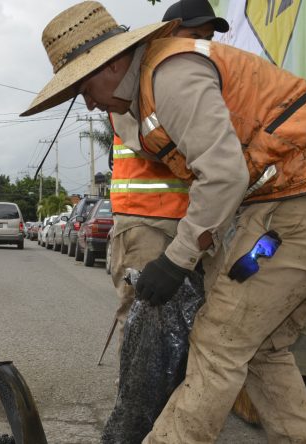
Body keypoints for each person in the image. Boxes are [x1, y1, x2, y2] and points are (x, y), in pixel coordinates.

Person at [23, 2, 306, 443]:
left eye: (85, 87)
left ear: (114, 63)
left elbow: (225, 174)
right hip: (303, 202)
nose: (89, 103)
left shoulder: (171, 76)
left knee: (218, 342)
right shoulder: (144, 91)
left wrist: (176, 260)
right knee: (261, 346)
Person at [107, 0, 229, 350]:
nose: (203, 46)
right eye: (195, 36)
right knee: (144, 318)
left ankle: (182, 402)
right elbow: (167, 146)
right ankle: (137, 403)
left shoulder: (194, 80)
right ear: (169, 34)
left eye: (208, 38)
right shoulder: (140, 83)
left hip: (195, 222)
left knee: (195, 319)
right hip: (147, 221)